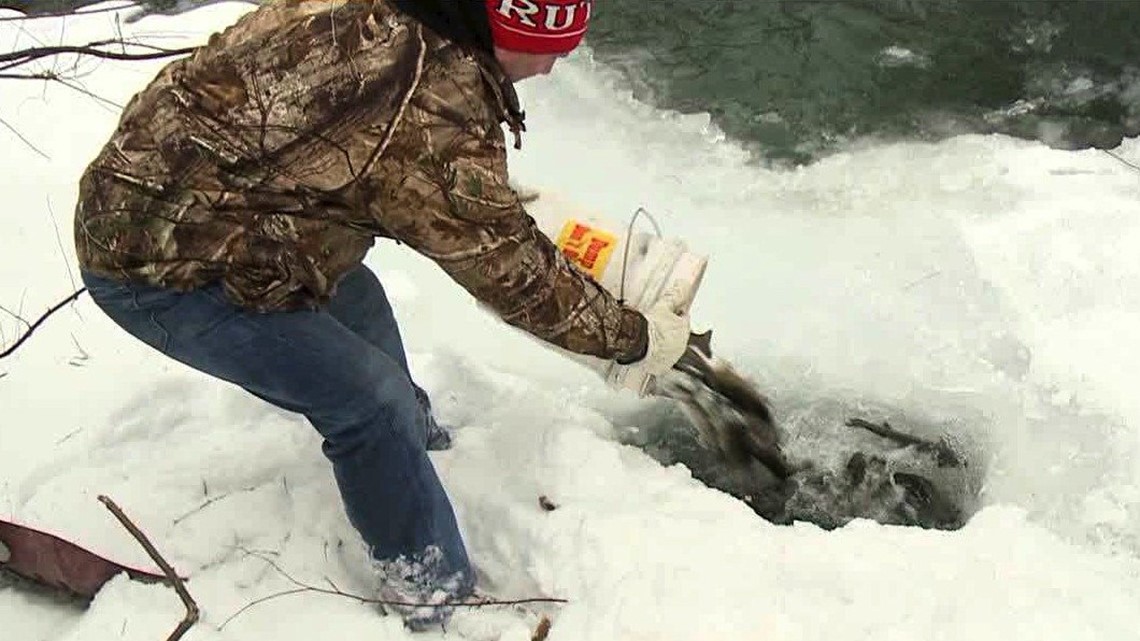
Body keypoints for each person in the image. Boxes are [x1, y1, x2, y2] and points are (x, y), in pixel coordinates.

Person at [73, 0, 690, 630]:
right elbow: (515, 279)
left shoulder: (400, 15)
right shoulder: (430, 111)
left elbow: (347, 141)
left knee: (356, 300)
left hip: (211, 212)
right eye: (554, 48)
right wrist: (632, 338)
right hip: (159, 271)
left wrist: (470, 201)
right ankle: (433, 592)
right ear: (508, 31)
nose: (560, 65)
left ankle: (417, 451)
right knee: (369, 403)